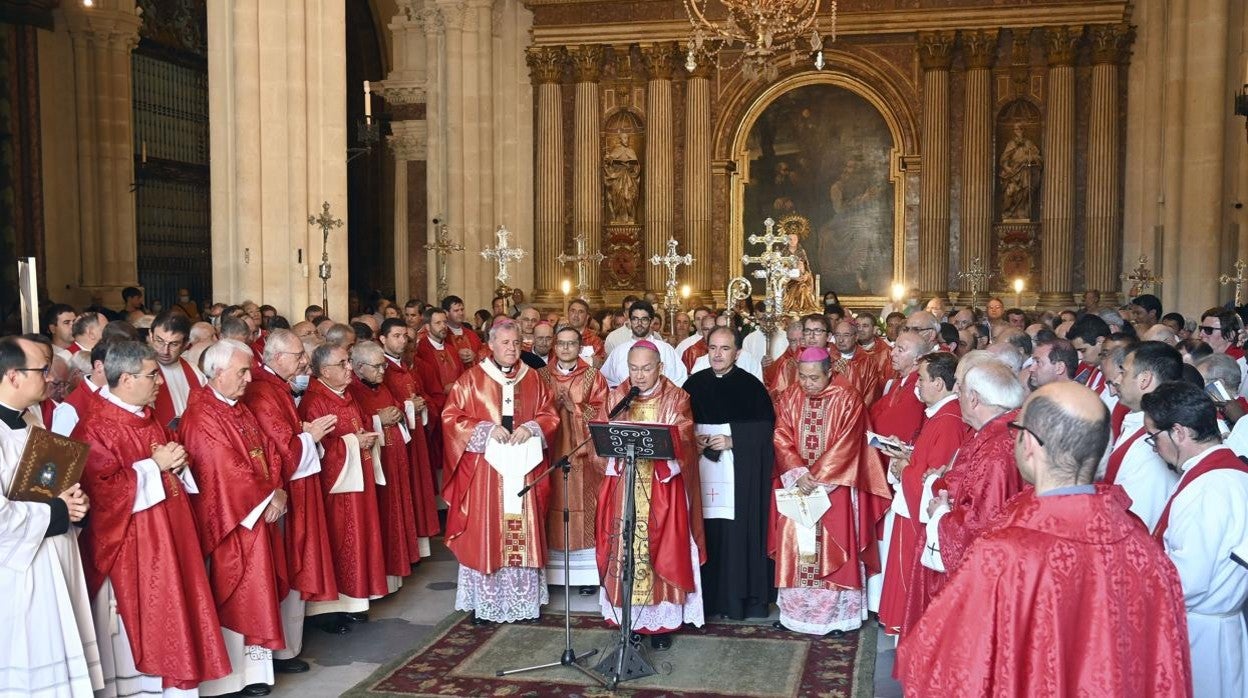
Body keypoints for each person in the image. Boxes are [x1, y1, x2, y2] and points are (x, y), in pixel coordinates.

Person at [897, 381, 1191, 697]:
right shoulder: (1144, 547)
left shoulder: (1001, 555)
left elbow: (946, 668)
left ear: (1030, 444)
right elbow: (1163, 671)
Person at [74, 340, 231, 696]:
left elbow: (166, 468)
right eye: (151, 375)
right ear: (126, 379)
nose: (160, 382)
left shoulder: (147, 419)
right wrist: (154, 467)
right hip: (133, 547)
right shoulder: (96, 427)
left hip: (170, 534)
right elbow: (100, 493)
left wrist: (178, 461)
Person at [180, 340, 290, 697]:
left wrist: (276, 488)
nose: (249, 377)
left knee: (259, 589)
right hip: (233, 520)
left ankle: (257, 670)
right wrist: (267, 495)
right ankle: (233, 678)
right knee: (239, 589)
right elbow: (222, 468)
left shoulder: (238, 408)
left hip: (257, 512)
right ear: (217, 372)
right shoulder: (202, 415)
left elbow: (268, 451)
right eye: (242, 371)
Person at [0, 335, 102, 696]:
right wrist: (59, 510)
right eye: (41, 370)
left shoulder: (32, 420)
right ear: (13, 375)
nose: (49, 377)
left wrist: (75, 503)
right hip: (17, 572)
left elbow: (47, 484)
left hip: (54, 557)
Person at [441, 320, 559, 623]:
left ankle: (524, 602)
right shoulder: (471, 380)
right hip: (488, 472)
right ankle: (487, 604)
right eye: (505, 343)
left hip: (523, 467)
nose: (512, 348)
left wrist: (532, 427)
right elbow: (451, 418)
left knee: (523, 529)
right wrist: (484, 429)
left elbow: (550, 415)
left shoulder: (533, 378)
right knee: (488, 531)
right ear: (490, 345)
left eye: (517, 342)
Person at [771, 347, 891, 635]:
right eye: (802, 377)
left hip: (835, 487)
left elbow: (849, 443)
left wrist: (819, 477)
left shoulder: (848, 399)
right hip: (798, 485)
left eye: (814, 378)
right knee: (798, 549)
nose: (807, 383)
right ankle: (795, 615)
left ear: (829, 372)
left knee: (833, 547)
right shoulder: (790, 397)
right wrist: (799, 472)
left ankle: (836, 618)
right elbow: (781, 434)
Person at [596, 340, 704, 650]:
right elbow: (601, 436)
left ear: (660, 367)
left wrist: (669, 454)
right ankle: (629, 619)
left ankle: (661, 623)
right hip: (624, 486)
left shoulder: (676, 397)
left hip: (661, 487)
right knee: (626, 548)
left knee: (661, 548)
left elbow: (684, 435)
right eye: (633, 368)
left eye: (646, 368)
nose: (639, 376)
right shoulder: (617, 396)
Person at [1144, 381, 1248, 698]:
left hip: (1200, 636)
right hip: (1217, 627)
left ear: (1179, 432)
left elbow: (1187, 582)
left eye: (1154, 438)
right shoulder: (1230, 473)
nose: (1154, 446)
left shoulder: (1210, 488)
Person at [908, 358, 1027, 631]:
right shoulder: (993, 433)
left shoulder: (997, 451)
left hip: (975, 583)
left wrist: (940, 513)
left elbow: (982, 526)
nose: (956, 396)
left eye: (960, 390)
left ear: (974, 399)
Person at [242, 329, 340, 654]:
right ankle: (283, 650)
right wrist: (308, 435)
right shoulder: (263, 391)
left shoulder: (277, 387)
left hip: (293, 484)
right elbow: (282, 446)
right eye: (298, 355)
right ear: (278, 358)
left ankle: (290, 647)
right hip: (280, 489)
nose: (303, 360)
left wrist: (305, 433)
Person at [683, 327, 776, 620]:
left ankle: (737, 600)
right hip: (700, 470)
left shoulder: (752, 387)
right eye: (712, 348)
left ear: (737, 352)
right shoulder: (693, 385)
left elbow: (766, 432)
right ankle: (704, 600)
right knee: (704, 530)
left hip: (737, 473)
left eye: (724, 349)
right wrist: (691, 440)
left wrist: (734, 440)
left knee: (735, 534)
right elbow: (679, 424)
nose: (718, 354)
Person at [878, 352, 970, 636]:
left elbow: (938, 482)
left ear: (940, 383)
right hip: (909, 506)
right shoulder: (939, 415)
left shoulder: (949, 421)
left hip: (918, 517)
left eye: (923, 379)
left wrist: (905, 466)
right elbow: (927, 463)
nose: (917, 384)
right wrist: (907, 454)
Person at [298, 343, 388, 627]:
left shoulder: (345, 395)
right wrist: (353, 443)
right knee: (339, 541)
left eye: (349, 361)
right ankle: (329, 610)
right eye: (343, 363)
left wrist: (362, 437)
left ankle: (354, 600)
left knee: (359, 537)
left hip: (357, 481)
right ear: (325, 371)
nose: (350, 367)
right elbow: (318, 450)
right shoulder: (315, 401)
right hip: (336, 489)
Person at [537, 326, 609, 593]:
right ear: (554, 347)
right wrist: (553, 407)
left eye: (571, 344)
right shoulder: (541, 376)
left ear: (580, 347)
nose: (566, 348)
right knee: (552, 502)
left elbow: (603, 413)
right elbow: (533, 410)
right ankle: (553, 572)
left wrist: (575, 409)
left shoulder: (593, 376)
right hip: (551, 452)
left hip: (583, 457)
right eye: (561, 344)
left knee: (585, 505)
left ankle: (587, 576)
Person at [347, 341, 422, 592]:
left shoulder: (381, 385)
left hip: (396, 461)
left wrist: (399, 411)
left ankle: (399, 569)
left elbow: (396, 407)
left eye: (383, 366)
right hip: (378, 464)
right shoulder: (355, 391)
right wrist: (379, 419)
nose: (382, 371)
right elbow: (356, 423)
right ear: (358, 368)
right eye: (377, 367)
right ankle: (386, 574)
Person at [376, 319, 439, 555]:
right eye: (396, 336)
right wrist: (407, 407)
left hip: (416, 438)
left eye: (405, 336)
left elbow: (423, 395)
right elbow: (382, 407)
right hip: (396, 442)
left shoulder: (407, 368)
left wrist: (421, 405)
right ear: (382, 339)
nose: (403, 341)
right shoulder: (382, 370)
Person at [1106, 341, 1183, 530]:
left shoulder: (1153, 443)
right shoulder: (1136, 423)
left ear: (1145, 380)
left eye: (1123, 372)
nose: (1116, 380)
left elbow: (1136, 522)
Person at [600, 301, 688, 388]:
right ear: (629, 321)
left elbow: (680, 380)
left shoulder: (666, 349)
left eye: (644, 319)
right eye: (635, 319)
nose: (639, 323)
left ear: (651, 321)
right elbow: (606, 382)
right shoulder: (618, 352)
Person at [148, 310, 204, 429]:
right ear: (151, 336)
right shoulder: (140, 371)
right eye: (159, 341)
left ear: (185, 344)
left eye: (174, 344)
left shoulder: (196, 372)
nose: (165, 351)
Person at [441, 295, 483, 368]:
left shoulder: (471, 335)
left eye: (462, 309)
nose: (461, 313)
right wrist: (456, 355)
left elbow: (483, 354)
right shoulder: (442, 335)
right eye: (456, 310)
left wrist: (475, 356)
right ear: (446, 313)